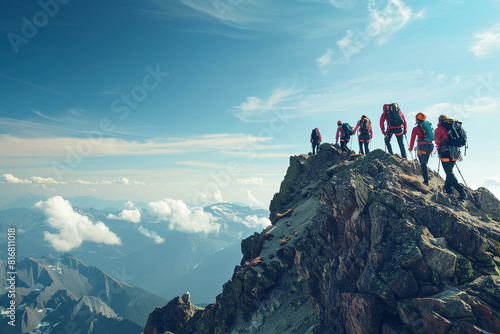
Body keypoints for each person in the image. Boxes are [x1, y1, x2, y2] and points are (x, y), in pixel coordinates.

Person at [435, 114, 466, 200]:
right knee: (450, 172)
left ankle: (461, 191)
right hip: (455, 152)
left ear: (439, 121)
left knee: (449, 172)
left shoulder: (439, 129)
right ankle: (447, 189)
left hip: (445, 152)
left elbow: (437, 142)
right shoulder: (454, 126)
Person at [408, 112, 434, 186]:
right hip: (430, 147)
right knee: (425, 163)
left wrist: (410, 148)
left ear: (416, 120)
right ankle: (426, 179)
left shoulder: (415, 129)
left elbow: (412, 139)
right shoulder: (428, 126)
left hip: (422, 147)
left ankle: (426, 181)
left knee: (423, 164)